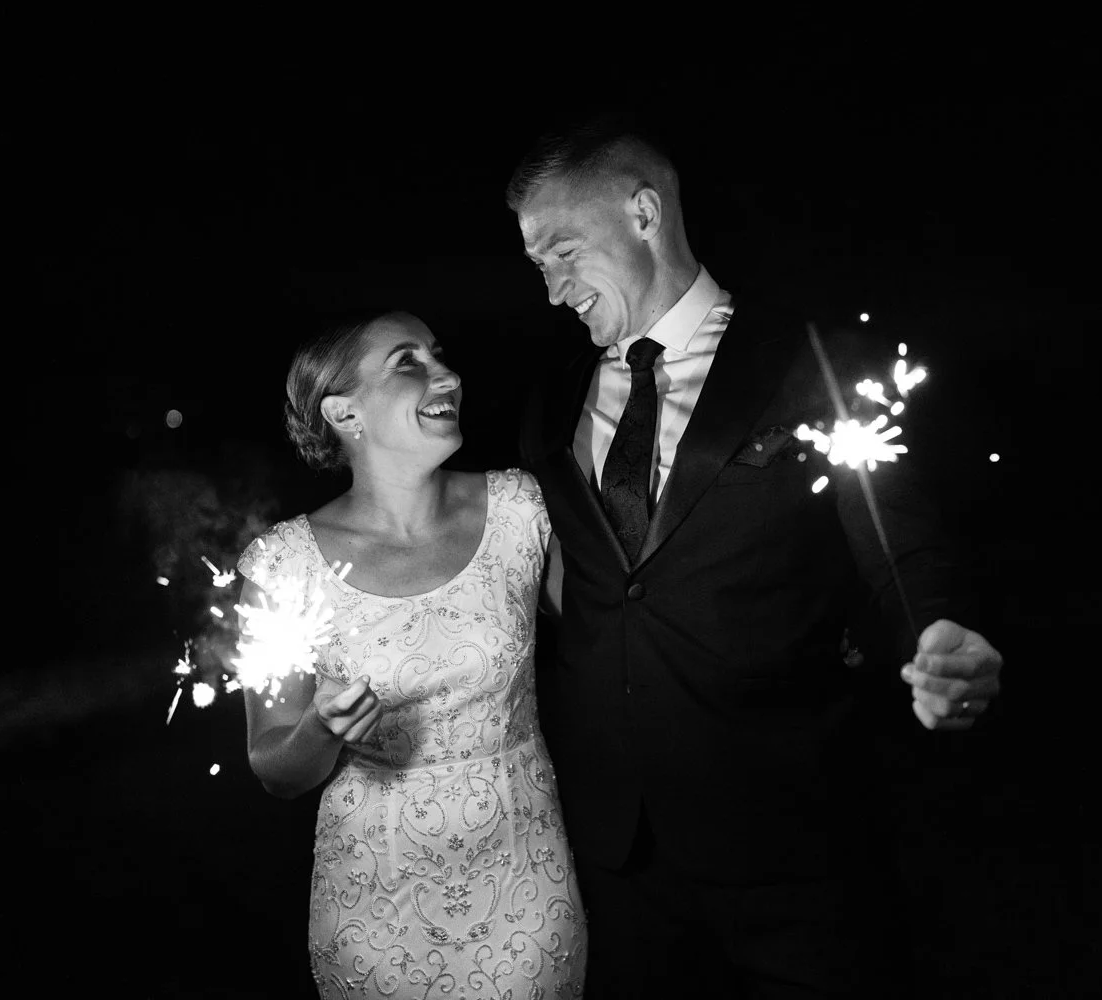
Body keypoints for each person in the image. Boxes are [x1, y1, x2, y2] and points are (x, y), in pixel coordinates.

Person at [510, 117, 1005, 997]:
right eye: (536, 265)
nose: (551, 290)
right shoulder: (548, 400)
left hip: (792, 837)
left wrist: (941, 626)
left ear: (643, 212)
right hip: (619, 853)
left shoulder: (806, 361)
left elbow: (900, 536)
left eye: (560, 252)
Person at [236, 311, 586, 999]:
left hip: (525, 882)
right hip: (375, 906)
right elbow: (276, 769)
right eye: (407, 362)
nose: (446, 376)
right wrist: (320, 730)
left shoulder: (521, 508)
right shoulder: (284, 566)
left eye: (439, 356)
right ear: (345, 412)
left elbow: (623, 636)